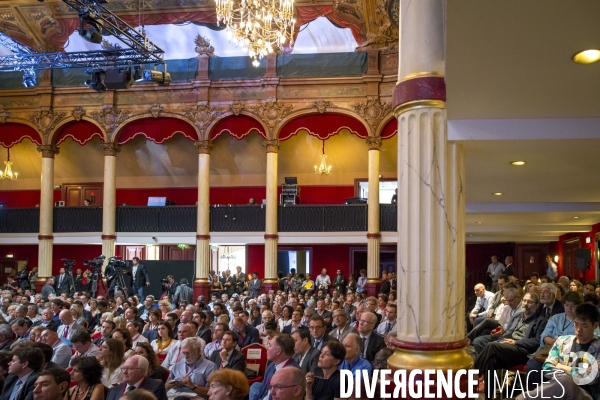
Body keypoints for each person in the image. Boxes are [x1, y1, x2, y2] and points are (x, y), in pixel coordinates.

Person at [516, 303, 600, 400]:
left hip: (585, 395)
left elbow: (592, 377)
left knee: (565, 381)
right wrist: (576, 372)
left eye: (584, 326)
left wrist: (561, 366)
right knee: (562, 382)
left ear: (595, 325)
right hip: (558, 390)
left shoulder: (598, 347)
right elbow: (547, 368)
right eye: (576, 324)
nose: (578, 330)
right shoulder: (562, 341)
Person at [249, 334, 299, 400]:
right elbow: (263, 389)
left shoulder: (290, 373)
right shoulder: (272, 365)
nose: (266, 348)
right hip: (264, 396)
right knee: (255, 385)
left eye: (269, 345)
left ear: (278, 351)